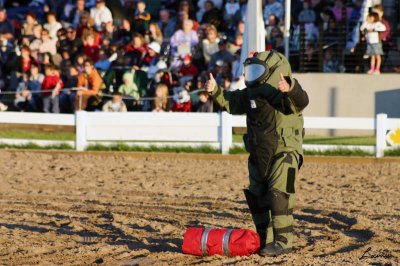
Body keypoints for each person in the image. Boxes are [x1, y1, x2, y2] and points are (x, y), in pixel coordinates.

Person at [204, 50, 309, 256]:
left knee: (279, 193)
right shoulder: (249, 93)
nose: (251, 75)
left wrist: (291, 88)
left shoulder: (283, 94)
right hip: (258, 152)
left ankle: (283, 242)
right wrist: (215, 90)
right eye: (249, 70)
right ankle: (265, 239)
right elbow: (231, 102)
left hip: (284, 151)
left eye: (257, 70)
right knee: (257, 195)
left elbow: (301, 101)